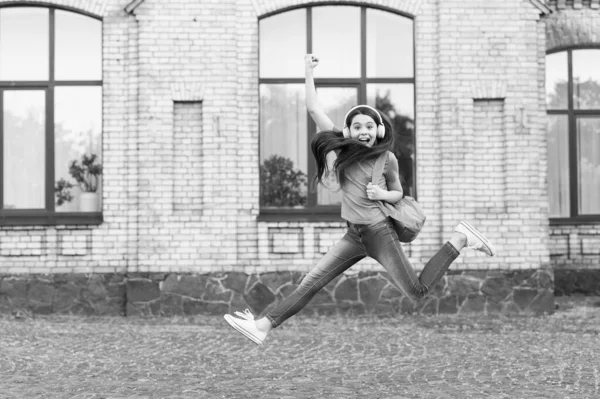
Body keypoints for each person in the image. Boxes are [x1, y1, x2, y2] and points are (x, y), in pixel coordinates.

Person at [223, 54, 495, 346]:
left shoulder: (386, 158)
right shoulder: (342, 153)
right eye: (357, 126)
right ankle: (262, 326)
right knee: (311, 282)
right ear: (348, 131)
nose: (363, 131)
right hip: (354, 235)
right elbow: (314, 108)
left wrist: (381, 194)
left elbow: (399, 192)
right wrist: (307, 71)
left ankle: (459, 238)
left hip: (380, 233)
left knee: (417, 291)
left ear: (377, 131)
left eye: (368, 126)